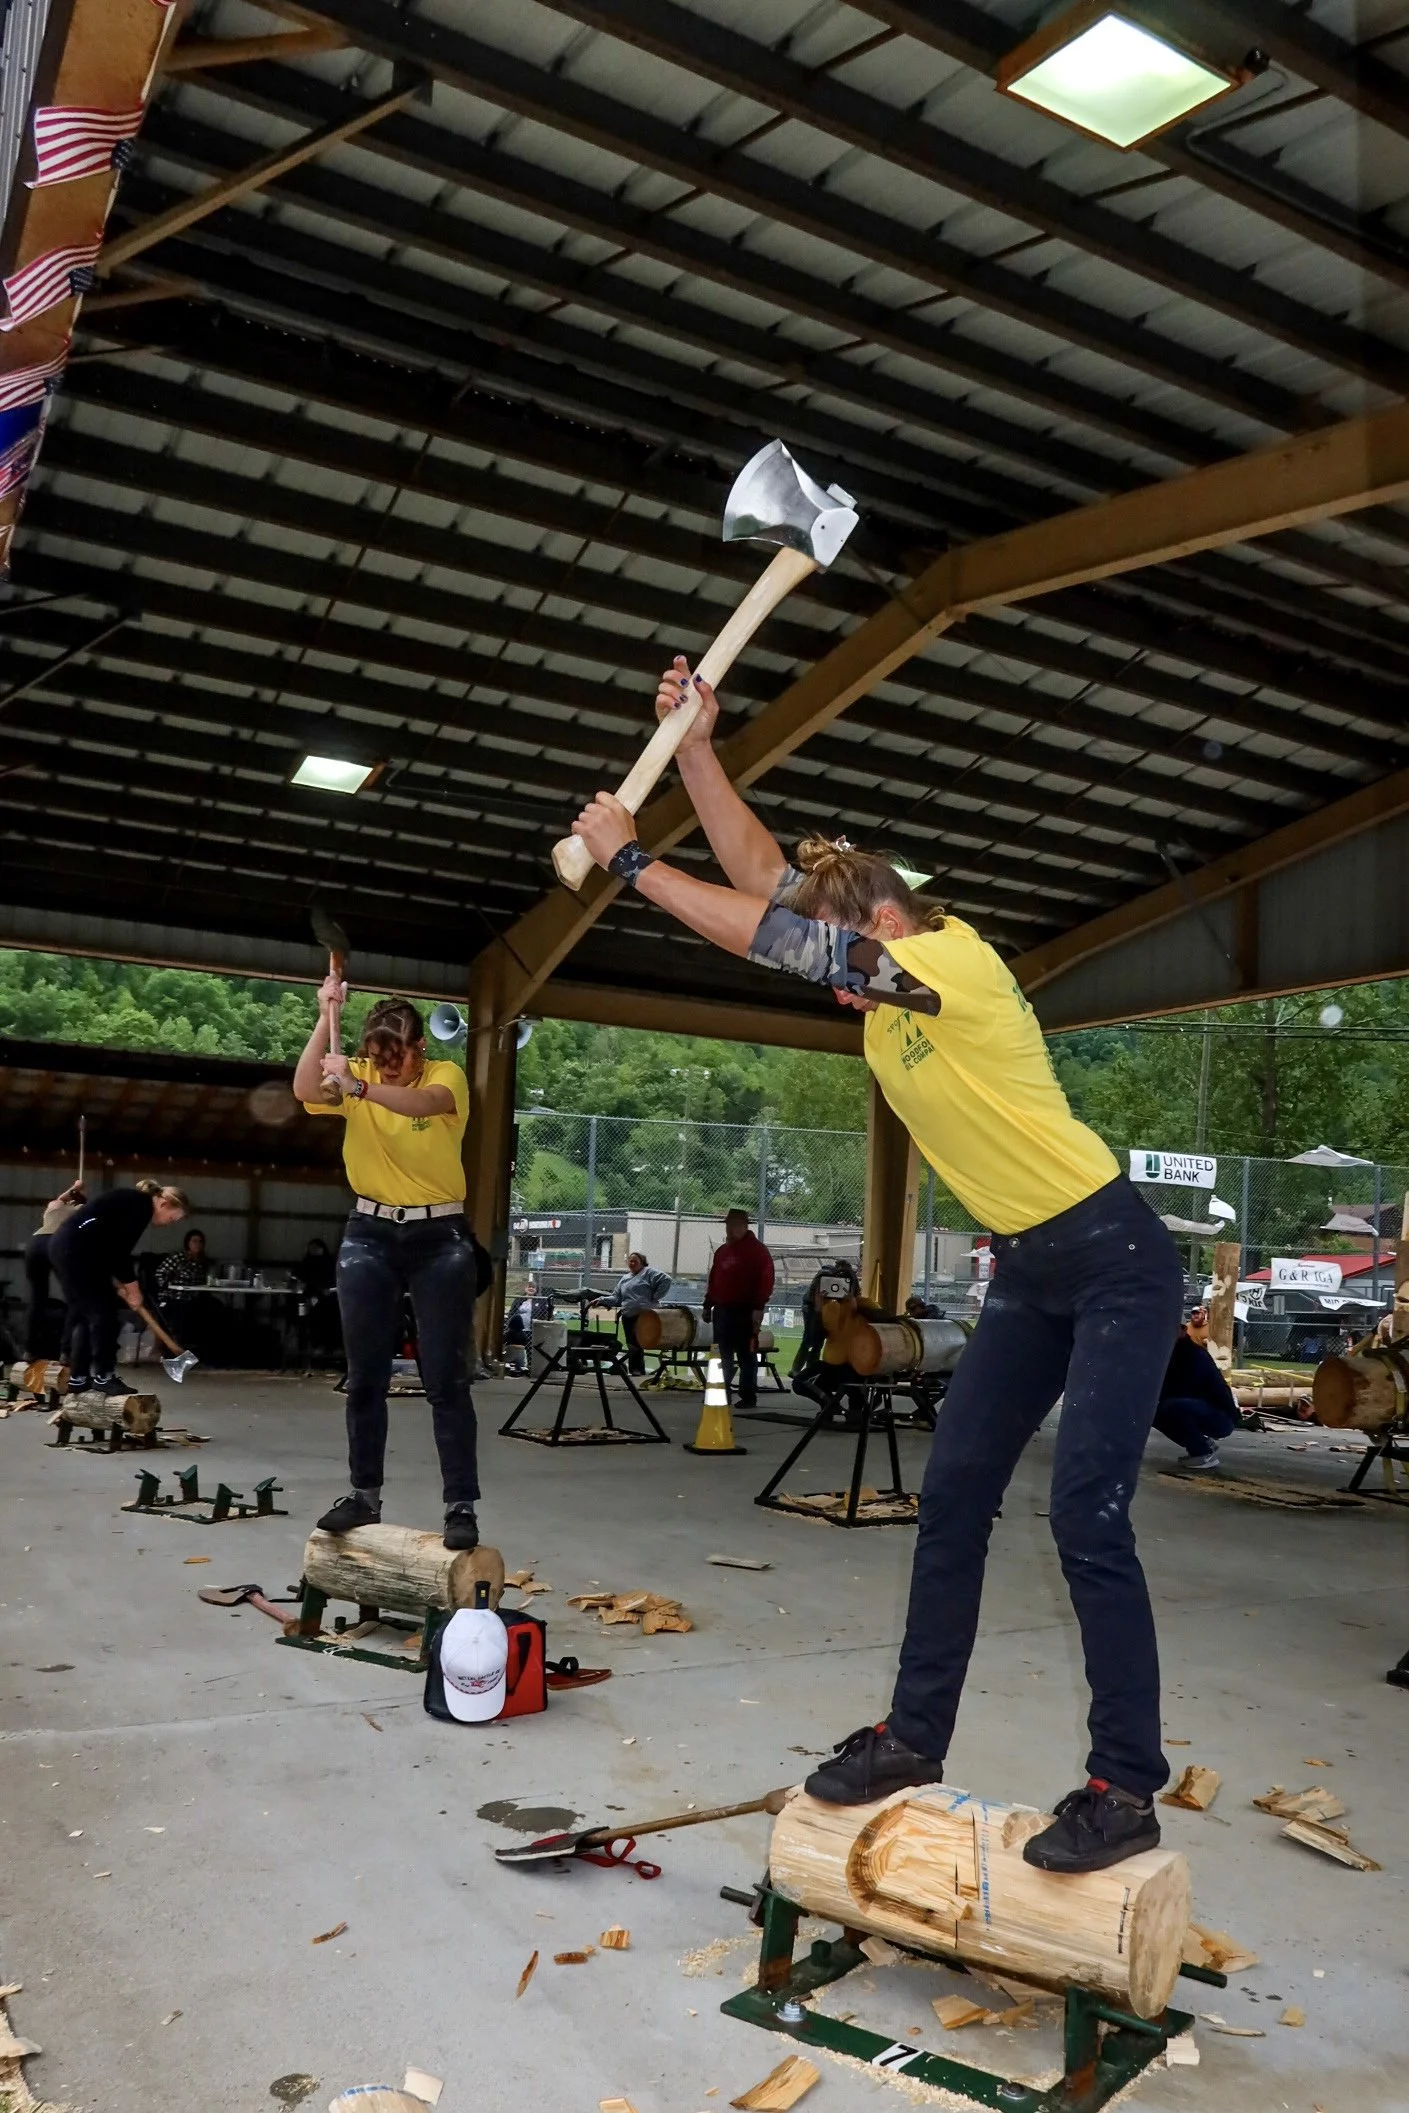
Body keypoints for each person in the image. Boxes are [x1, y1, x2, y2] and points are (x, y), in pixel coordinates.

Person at [569, 654, 1184, 1876]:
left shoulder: (949, 960)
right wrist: (696, 742)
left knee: (1085, 1511)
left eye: (844, 951)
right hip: (1030, 1277)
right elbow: (766, 888)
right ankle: (912, 1734)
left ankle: (1123, 1786)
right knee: (950, 1492)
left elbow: (791, 939)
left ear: (886, 925)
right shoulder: (881, 979)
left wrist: (635, 863)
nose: (835, 987)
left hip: (1115, 1257)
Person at [294, 985, 483, 1552]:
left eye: (399, 1060)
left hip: (440, 1236)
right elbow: (305, 1087)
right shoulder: (356, 1074)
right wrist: (326, 1018)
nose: (390, 1071)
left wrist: (359, 1085)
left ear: (420, 1048)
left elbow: (421, 1106)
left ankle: (460, 1504)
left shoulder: (444, 1078)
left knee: (444, 1377)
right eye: (378, 1060)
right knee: (365, 1376)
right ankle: (364, 1494)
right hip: (370, 1234)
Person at [50, 1180, 188, 1395]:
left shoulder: (130, 1202)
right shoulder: (141, 1206)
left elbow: (108, 1243)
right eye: (172, 1218)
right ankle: (104, 1376)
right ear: (163, 1203)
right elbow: (119, 1251)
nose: (169, 1223)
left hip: (68, 1247)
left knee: (84, 1315)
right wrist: (133, 1290)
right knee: (103, 1314)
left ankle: (78, 1378)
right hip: (78, 1250)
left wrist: (119, 1281)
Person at [703, 1210, 774, 1409]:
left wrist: (758, 1307)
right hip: (723, 1309)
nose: (729, 1229)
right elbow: (714, 1280)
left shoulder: (757, 1251)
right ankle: (720, 1392)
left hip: (746, 1309)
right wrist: (708, 1304)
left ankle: (748, 1395)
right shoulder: (722, 1251)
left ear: (744, 1226)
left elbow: (765, 1280)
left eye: (733, 1225)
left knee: (746, 1354)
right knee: (721, 1354)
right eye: (728, 1225)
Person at [1152, 1313, 1238, 1470]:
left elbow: (1181, 1388)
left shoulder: (1193, 1355)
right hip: (1198, 1409)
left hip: (1220, 1417)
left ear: (1183, 1331)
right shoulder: (1172, 1354)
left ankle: (1202, 1453)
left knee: (1169, 1406)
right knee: (1153, 1414)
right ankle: (1202, 1444)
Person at [24, 1180, 84, 1359]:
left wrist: (75, 1187)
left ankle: (29, 1350)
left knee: (37, 1297)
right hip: (59, 1245)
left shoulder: (54, 1206)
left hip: (36, 1244)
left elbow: (61, 1198)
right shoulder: (81, 1210)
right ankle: (65, 1351)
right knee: (74, 1299)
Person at [598, 1251, 672, 1373]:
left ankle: (637, 1370)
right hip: (628, 1316)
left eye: (635, 1261)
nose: (632, 1263)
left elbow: (666, 1280)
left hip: (644, 1316)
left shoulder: (649, 1273)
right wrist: (600, 1300)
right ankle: (636, 1370)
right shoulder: (625, 1278)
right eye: (630, 1261)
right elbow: (616, 1297)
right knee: (632, 1344)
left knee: (637, 1343)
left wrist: (656, 1296)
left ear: (642, 1263)